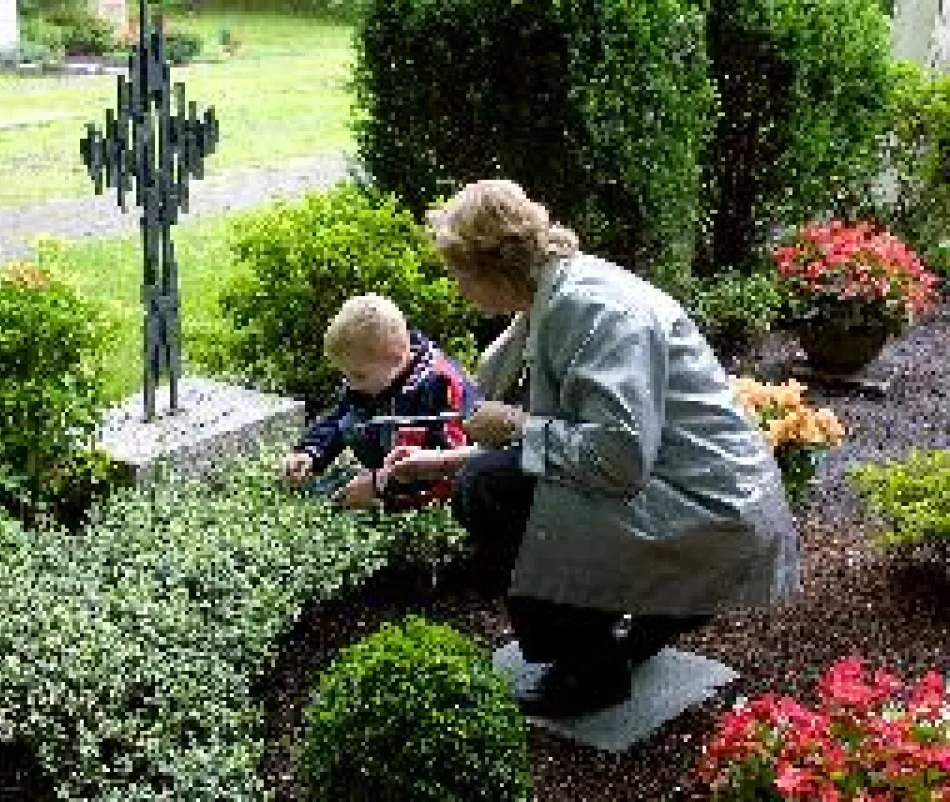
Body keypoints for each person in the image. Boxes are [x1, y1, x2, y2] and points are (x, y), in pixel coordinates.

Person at [379, 180, 800, 719]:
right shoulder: (557, 294)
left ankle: (589, 669)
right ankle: (648, 621)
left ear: (492, 265)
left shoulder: (594, 311)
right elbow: (558, 439)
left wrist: (509, 426)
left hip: (713, 509)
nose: (456, 286)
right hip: (689, 484)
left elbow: (616, 459)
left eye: (458, 272)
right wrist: (442, 459)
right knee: (490, 477)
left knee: (487, 492)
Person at [281, 293, 478, 511]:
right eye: (344, 375)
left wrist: (383, 490)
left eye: (358, 376)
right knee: (351, 417)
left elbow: (449, 469)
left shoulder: (441, 386)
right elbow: (340, 416)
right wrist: (310, 452)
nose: (350, 384)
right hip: (388, 460)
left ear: (396, 357)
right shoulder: (375, 372)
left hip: (427, 474)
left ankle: (389, 488)